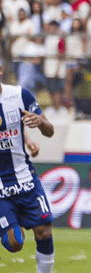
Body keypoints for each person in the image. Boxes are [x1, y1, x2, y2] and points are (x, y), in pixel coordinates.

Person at [0, 61, 56, 273]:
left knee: (44, 231)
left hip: (25, 178)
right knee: (14, 242)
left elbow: (49, 130)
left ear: (0, 70)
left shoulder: (20, 95)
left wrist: (39, 123)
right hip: (0, 188)